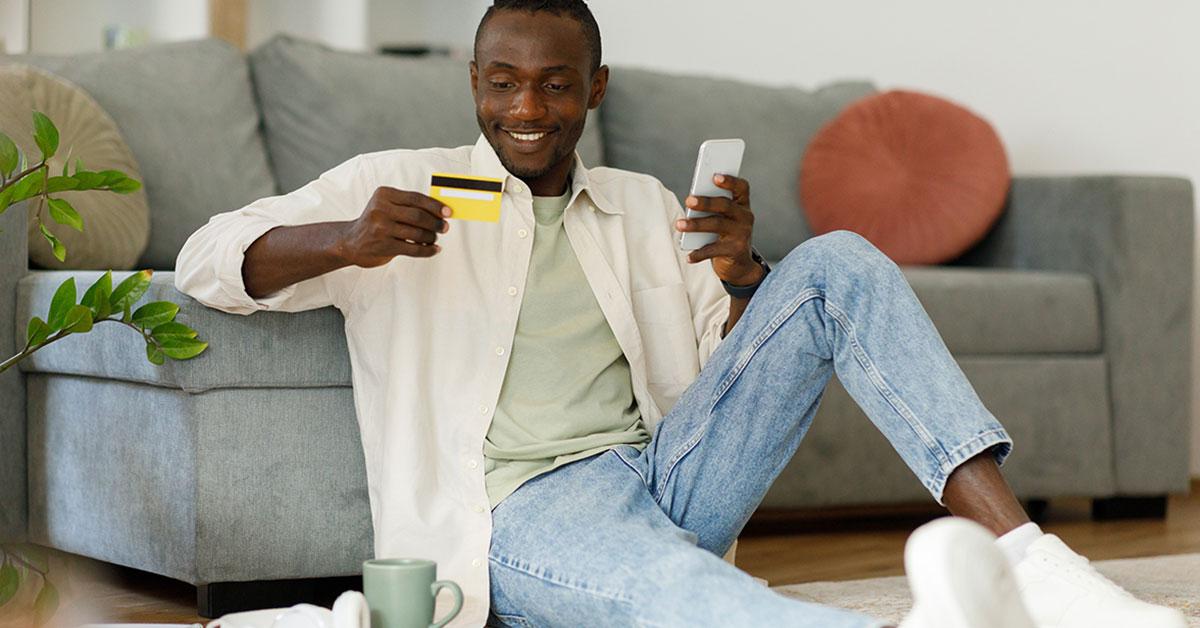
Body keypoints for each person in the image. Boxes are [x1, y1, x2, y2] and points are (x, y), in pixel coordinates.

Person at [175, 1, 1186, 626]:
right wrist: (341, 241)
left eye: (555, 84)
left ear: (594, 90)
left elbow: (730, 373)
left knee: (832, 262)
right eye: (503, 83)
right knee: (687, 604)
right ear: (473, 84)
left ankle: (1031, 562)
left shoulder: (642, 204)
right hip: (518, 512)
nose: (527, 109)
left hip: (666, 473)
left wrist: (747, 275)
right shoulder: (397, 185)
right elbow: (203, 259)